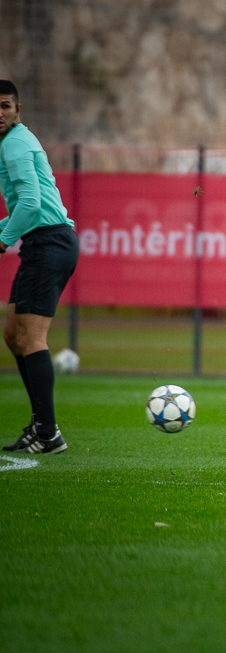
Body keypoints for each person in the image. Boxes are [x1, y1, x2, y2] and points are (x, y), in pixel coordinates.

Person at [0, 81, 79, 454]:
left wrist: (3, 241)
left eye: (5, 106)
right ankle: (41, 426)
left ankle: (47, 432)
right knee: (14, 334)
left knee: (31, 338)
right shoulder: (15, 141)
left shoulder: (14, 144)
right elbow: (26, 208)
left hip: (49, 243)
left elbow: (30, 204)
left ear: (18, 109)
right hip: (44, 242)